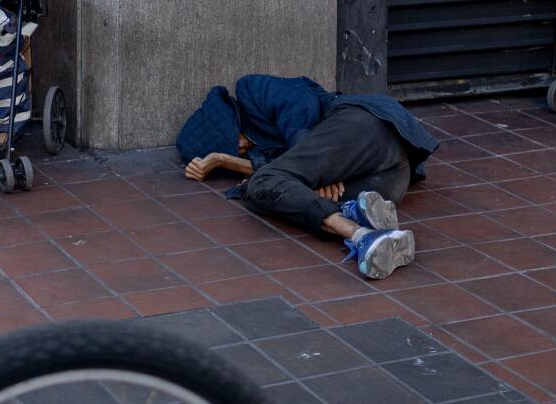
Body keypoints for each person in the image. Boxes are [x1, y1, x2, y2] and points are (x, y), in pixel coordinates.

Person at [179, 74, 438, 281]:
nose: (238, 148)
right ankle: (370, 223)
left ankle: (360, 234)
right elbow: (281, 172)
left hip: (368, 123)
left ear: (230, 120)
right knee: (262, 196)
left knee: (262, 183)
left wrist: (320, 172)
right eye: (229, 150)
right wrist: (224, 161)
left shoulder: (252, 88)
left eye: (230, 140)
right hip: (388, 177)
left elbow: (300, 113)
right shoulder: (262, 149)